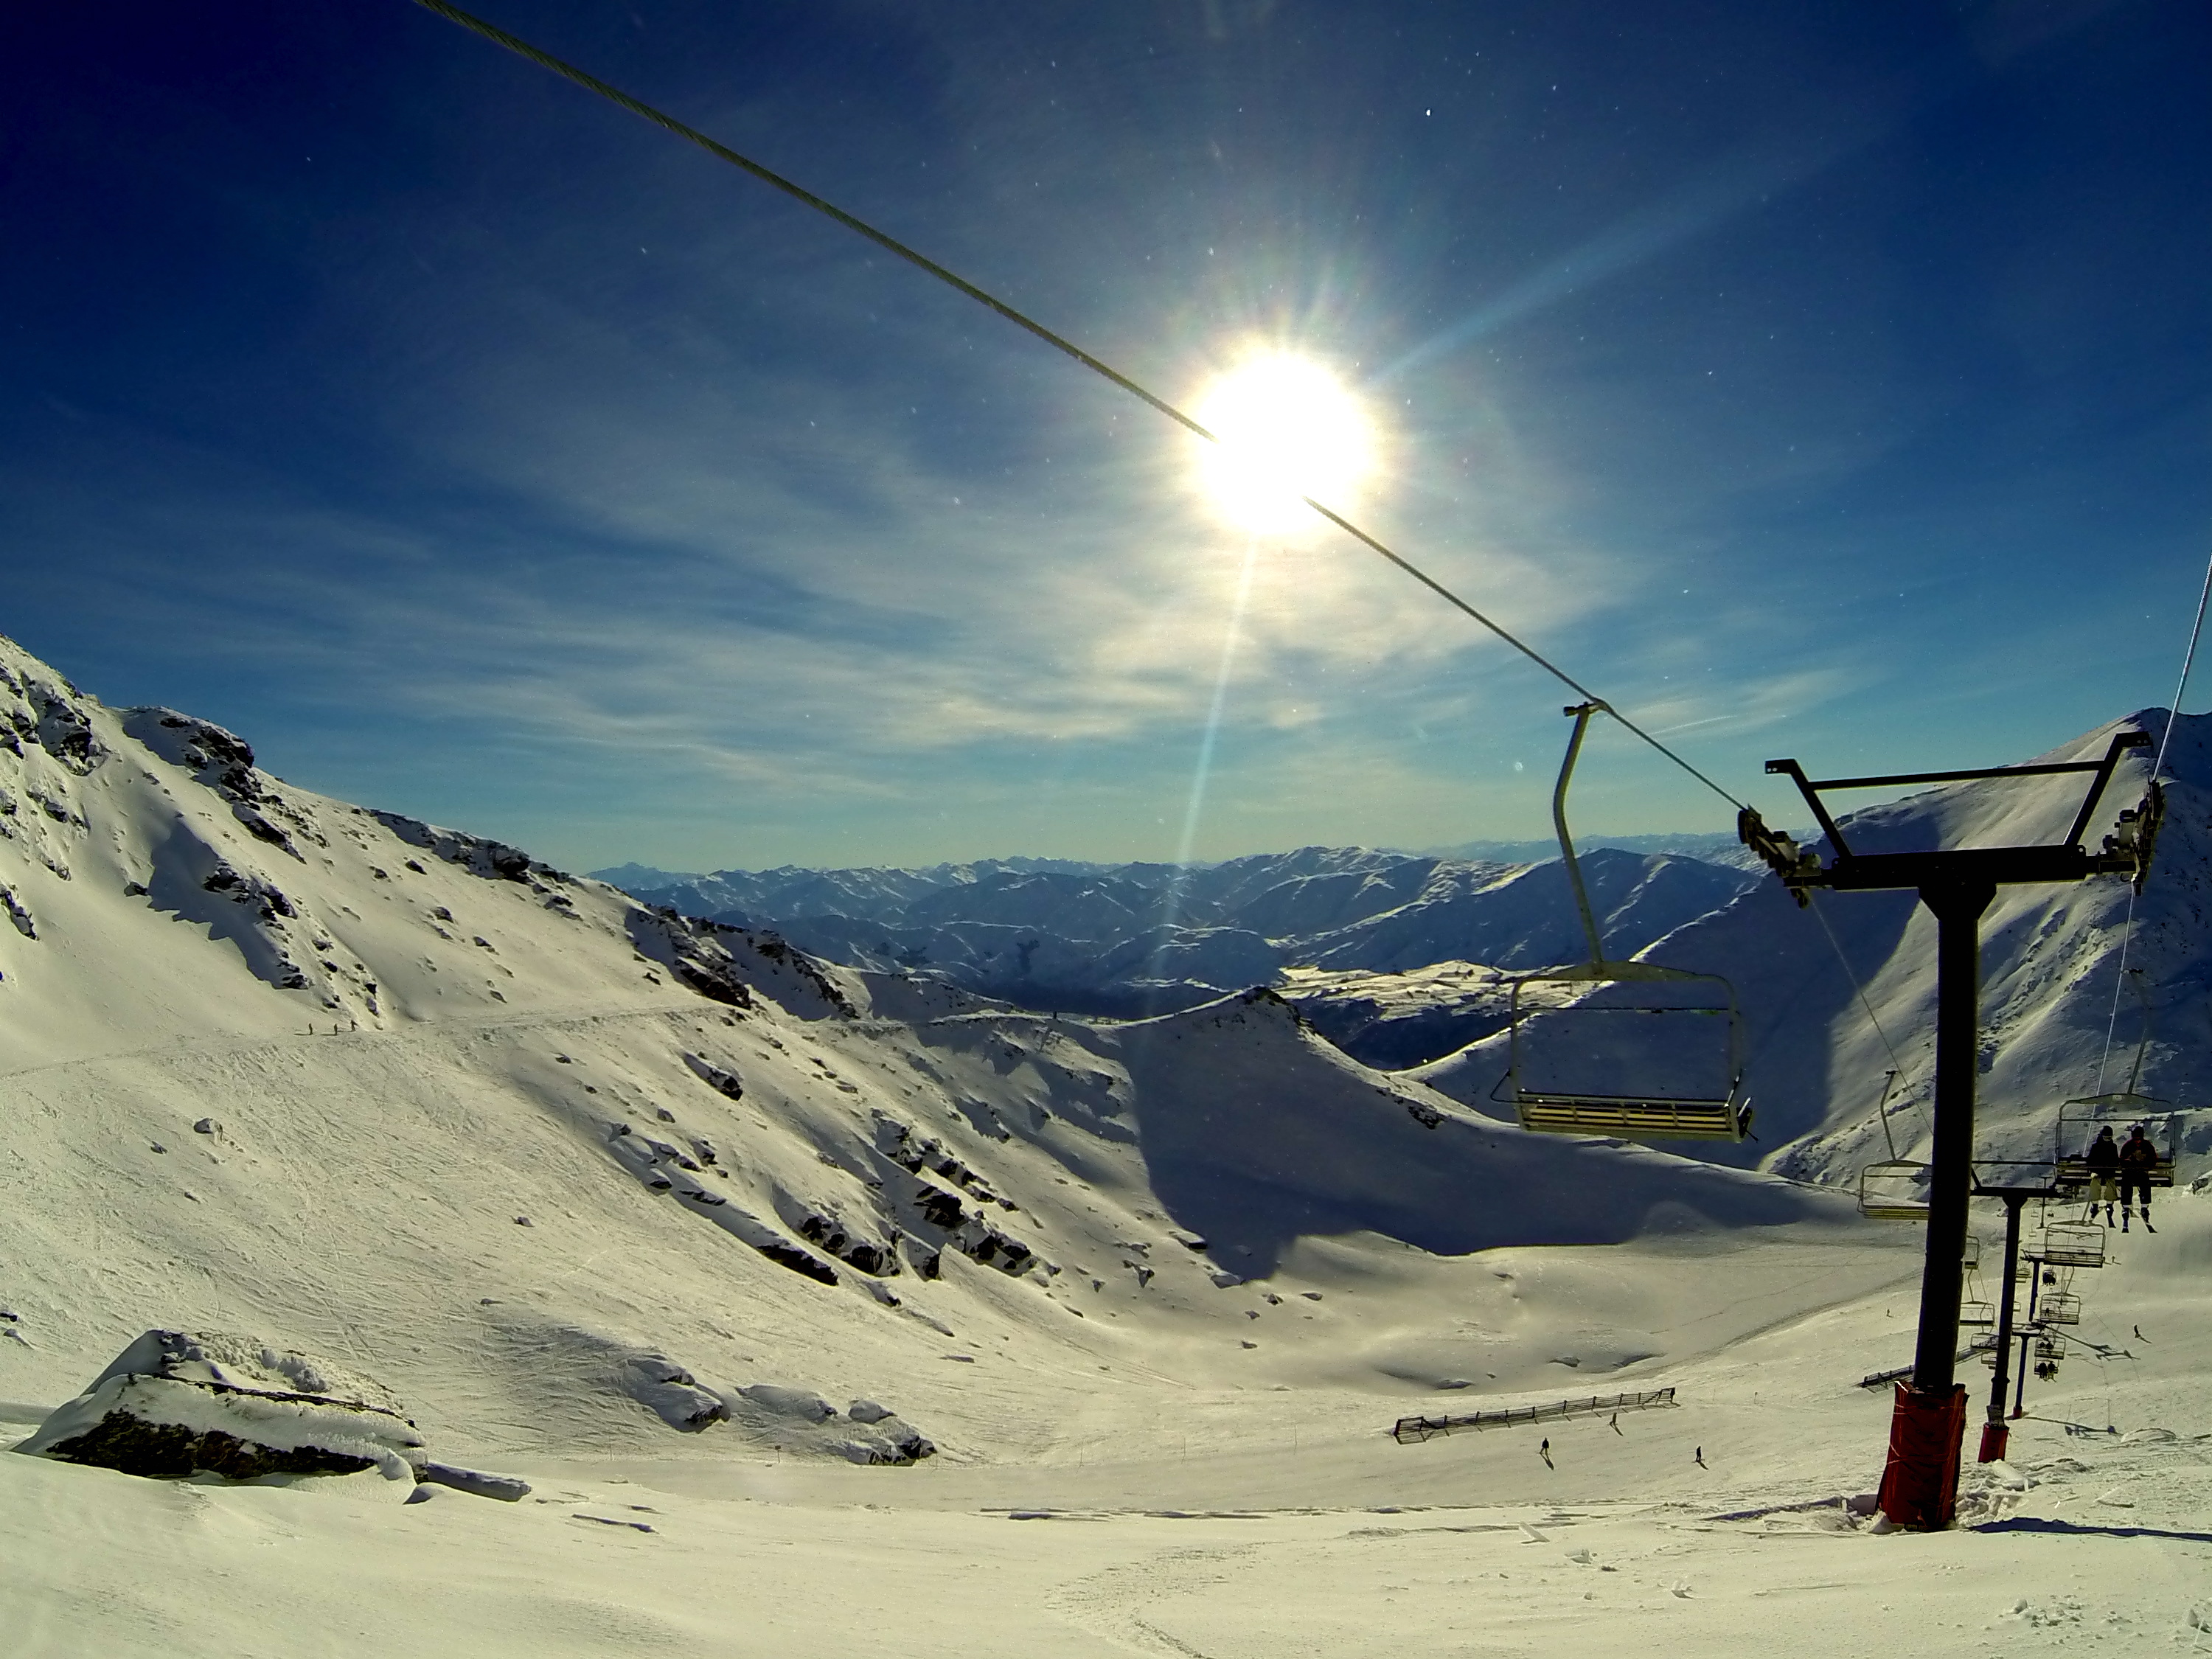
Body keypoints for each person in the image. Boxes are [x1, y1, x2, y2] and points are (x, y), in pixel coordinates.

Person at [2117, 1124, 2159, 1234]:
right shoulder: (2128, 1146)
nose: (2137, 1142)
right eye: (2135, 1139)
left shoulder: (2147, 1146)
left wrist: (2144, 1163)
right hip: (2129, 1172)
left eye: (2139, 1139)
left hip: (2141, 1172)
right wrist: (2128, 1161)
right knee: (2126, 1183)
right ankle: (2126, 1206)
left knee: (2145, 1183)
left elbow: (2153, 1159)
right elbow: (2121, 1160)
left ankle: (2144, 1206)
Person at [2084, 1125, 2121, 1225]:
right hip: (2098, 1172)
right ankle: (2095, 1205)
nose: (2108, 1140)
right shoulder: (2095, 1147)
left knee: (2111, 1183)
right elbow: (2090, 1161)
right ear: (2101, 1136)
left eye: (2109, 1138)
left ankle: (2109, 1204)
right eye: (2106, 1138)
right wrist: (2096, 1169)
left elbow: (2115, 1161)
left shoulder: (2113, 1147)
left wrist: (2111, 1167)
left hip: (2108, 1172)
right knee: (2095, 1182)